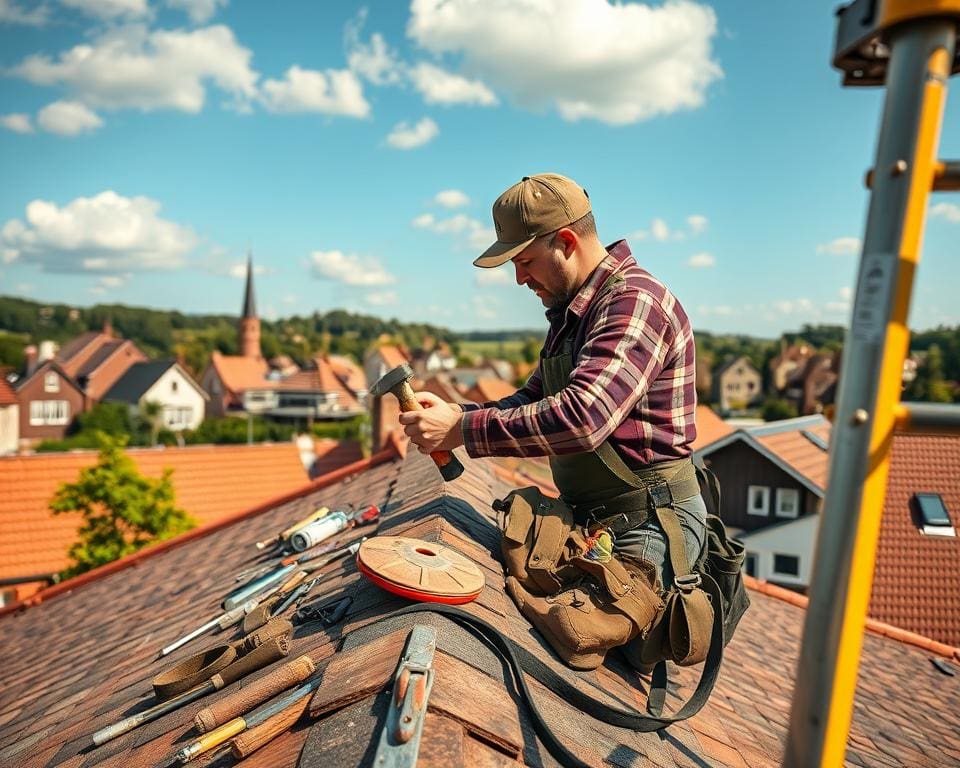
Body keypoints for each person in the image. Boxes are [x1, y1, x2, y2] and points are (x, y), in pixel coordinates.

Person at [398, 172, 706, 591]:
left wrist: (460, 431)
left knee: (588, 641)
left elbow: (583, 418)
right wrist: (457, 414)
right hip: (600, 520)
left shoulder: (635, 303)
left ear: (565, 241)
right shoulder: (575, 312)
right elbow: (532, 399)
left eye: (524, 262)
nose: (520, 279)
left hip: (646, 525)